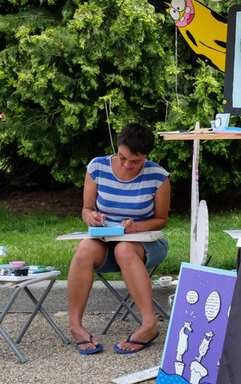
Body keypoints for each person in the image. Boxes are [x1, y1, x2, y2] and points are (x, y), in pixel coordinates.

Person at [68, 122, 170, 355]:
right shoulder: (97, 167)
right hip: (106, 239)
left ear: (146, 156)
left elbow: (161, 219)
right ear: (118, 147)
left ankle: (149, 324)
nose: (128, 165)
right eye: (123, 157)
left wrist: (138, 227)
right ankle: (75, 326)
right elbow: (85, 208)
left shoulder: (158, 176)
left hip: (146, 241)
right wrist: (92, 217)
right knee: (84, 248)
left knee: (124, 248)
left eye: (136, 161)